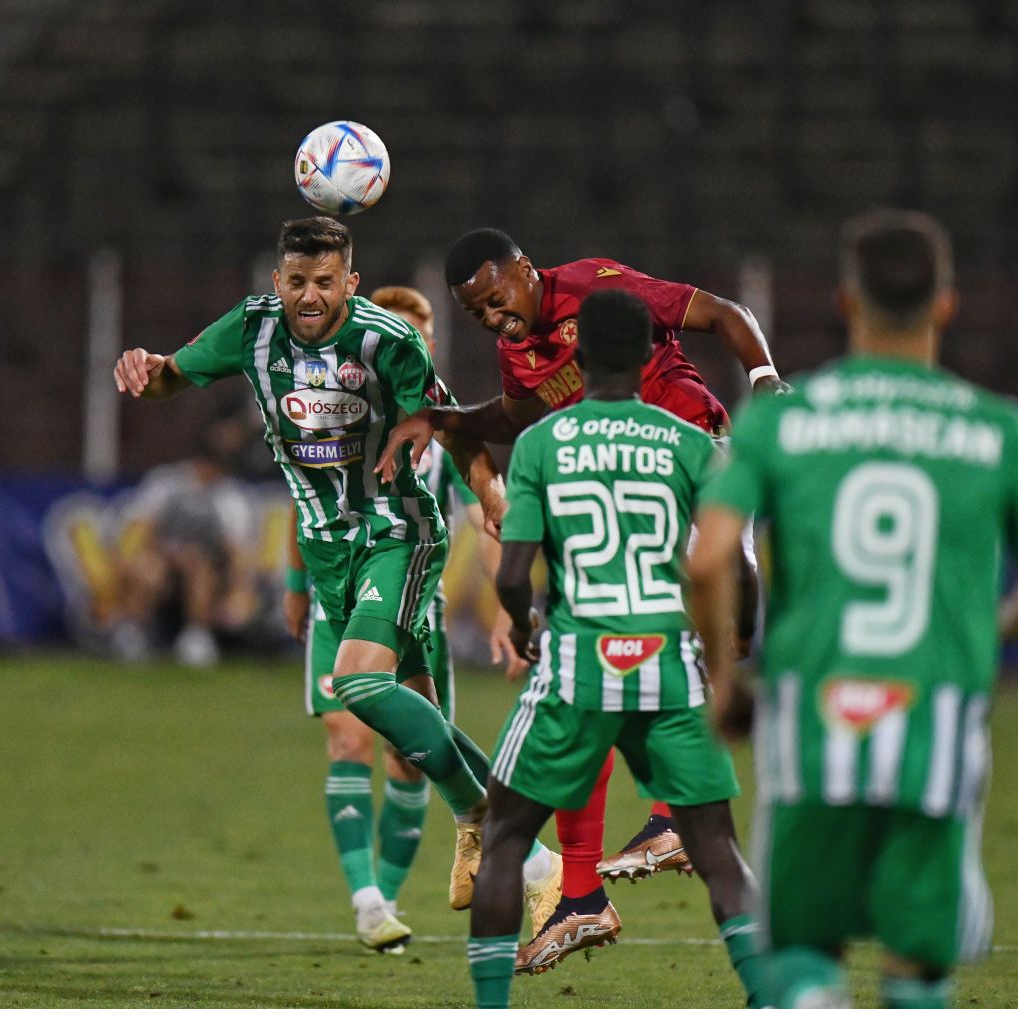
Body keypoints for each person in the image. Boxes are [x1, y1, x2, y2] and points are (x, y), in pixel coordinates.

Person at [689, 209, 1018, 1009]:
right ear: (946, 305)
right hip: (935, 722)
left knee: (802, 949)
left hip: (811, 719)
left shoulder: (785, 420)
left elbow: (706, 557)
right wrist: (987, 637)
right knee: (917, 966)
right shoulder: (1000, 429)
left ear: (846, 302)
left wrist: (727, 680)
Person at [114, 216, 513, 951]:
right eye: (297, 280)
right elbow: (173, 374)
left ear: (349, 283)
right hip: (329, 556)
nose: (308, 295)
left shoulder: (385, 343)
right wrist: (145, 368)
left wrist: (490, 495)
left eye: (324, 282)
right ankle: (483, 834)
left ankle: (469, 816)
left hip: (396, 538)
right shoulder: (253, 329)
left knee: (365, 701)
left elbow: (453, 427)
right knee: (377, 731)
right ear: (277, 282)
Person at [378, 227, 780, 935]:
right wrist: (443, 420)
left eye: (496, 297)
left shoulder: (597, 286)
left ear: (525, 271)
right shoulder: (517, 351)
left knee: (681, 605)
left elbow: (722, 314)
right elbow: (517, 416)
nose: (493, 317)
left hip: (693, 450)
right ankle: (588, 887)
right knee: (596, 668)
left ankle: (661, 827)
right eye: (477, 313)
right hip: (627, 485)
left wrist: (765, 379)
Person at [466, 290, 768, 1009]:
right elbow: (740, 567)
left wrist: (525, 624)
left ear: (576, 358)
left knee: (504, 838)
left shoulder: (542, 443)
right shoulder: (691, 444)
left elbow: (513, 573)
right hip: (670, 666)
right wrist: (742, 636)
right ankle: (771, 994)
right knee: (719, 850)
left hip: (579, 665)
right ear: (645, 357)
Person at [279, 284, 561, 951]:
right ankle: (369, 902)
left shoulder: (442, 431)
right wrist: (296, 585)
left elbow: (489, 519)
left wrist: (503, 608)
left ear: (423, 346)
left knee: (417, 753)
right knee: (349, 739)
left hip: (414, 609)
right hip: (336, 604)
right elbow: (304, 496)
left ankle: (517, 853)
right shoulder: (331, 412)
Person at [109, 415, 260, 666]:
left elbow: (237, 550)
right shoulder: (167, 483)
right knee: (147, 568)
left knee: (199, 566)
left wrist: (240, 591)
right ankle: (133, 632)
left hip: (208, 570)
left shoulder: (229, 495)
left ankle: (197, 636)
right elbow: (141, 528)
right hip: (163, 561)